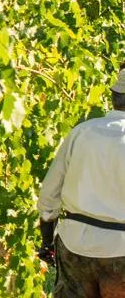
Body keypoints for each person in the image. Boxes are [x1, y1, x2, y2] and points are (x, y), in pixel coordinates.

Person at [39, 67, 125, 297]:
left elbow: (48, 195)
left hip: (75, 245)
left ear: (114, 97)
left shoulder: (81, 132)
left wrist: (47, 242)